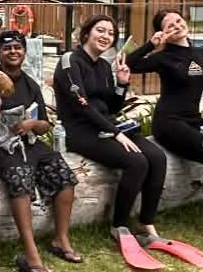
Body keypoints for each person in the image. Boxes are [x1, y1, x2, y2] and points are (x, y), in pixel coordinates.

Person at [0, 28, 80, 272]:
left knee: (63, 173)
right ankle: (31, 252)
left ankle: (60, 239)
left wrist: (31, 124)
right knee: (20, 176)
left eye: (17, 47)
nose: (13, 51)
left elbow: (44, 125)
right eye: (7, 48)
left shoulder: (30, 84)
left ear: (24, 51)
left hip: (28, 142)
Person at [126, 9, 203, 247]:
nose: (177, 26)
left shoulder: (202, 53)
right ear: (163, 32)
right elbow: (129, 65)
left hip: (195, 120)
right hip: (169, 123)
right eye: (169, 26)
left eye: (178, 20)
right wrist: (151, 44)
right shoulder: (164, 57)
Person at [54, 13, 166, 246]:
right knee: (137, 162)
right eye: (100, 30)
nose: (106, 36)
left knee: (157, 157)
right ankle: (120, 226)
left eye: (111, 33)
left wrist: (122, 84)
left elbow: (112, 107)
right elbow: (81, 104)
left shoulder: (104, 66)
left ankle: (146, 223)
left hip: (107, 127)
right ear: (87, 33)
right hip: (81, 131)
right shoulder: (70, 61)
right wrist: (116, 133)